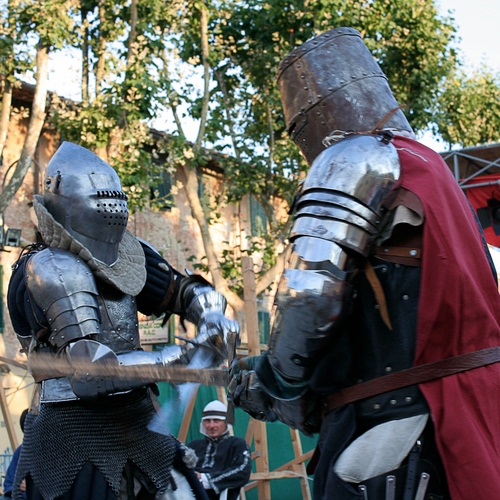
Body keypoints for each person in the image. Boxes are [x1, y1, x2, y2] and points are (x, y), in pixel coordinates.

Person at [228, 27, 500, 499]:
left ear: (312, 116)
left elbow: (311, 292)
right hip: (469, 410)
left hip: (398, 425)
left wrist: (279, 379)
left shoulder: (357, 159)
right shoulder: (431, 169)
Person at [6, 141, 238, 500]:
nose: (112, 210)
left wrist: (212, 317)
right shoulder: (52, 268)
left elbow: (184, 291)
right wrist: (175, 359)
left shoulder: (129, 255)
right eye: (101, 200)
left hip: (139, 419)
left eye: (115, 199)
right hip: (74, 428)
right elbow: (91, 372)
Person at [187, 401, 251, 500]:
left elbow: (242, 472)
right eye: (207, 421)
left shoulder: (237, 444)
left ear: (226, 422)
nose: (211, 426)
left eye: (216, 421)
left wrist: (205, 479)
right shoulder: (193, 446)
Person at [2, 410, 28, 498]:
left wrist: (31, 487)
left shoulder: (53, 452)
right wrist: (17, 487)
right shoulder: (21, 451)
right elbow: (8, 484)